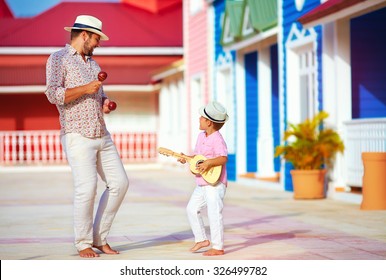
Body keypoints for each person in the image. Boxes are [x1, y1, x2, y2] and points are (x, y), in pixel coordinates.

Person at [45, 15, 129, 258]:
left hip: (101, 133)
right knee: (87, 188)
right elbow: (53, 94)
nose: (98, 43)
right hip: (76, 133)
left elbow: (98, 94)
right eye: (96, 38)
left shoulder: (93, 64)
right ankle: (82, 242)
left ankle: (99, 238)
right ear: (84, 35)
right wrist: (86, 89)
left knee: (120, 184)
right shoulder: (58, 59)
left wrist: (106, 102)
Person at [178, 101, 229, 256]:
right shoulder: (201, 136)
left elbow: (223, 158)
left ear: (209, 122)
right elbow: (198, 157)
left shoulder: (217, 139)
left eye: (201, 117)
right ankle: (201, 239)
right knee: (191, 209)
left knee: (214, 212)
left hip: (215, 183)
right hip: (202, 182)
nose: (198, 119)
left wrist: (209, 163)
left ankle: (218, 247)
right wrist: (186, 158)